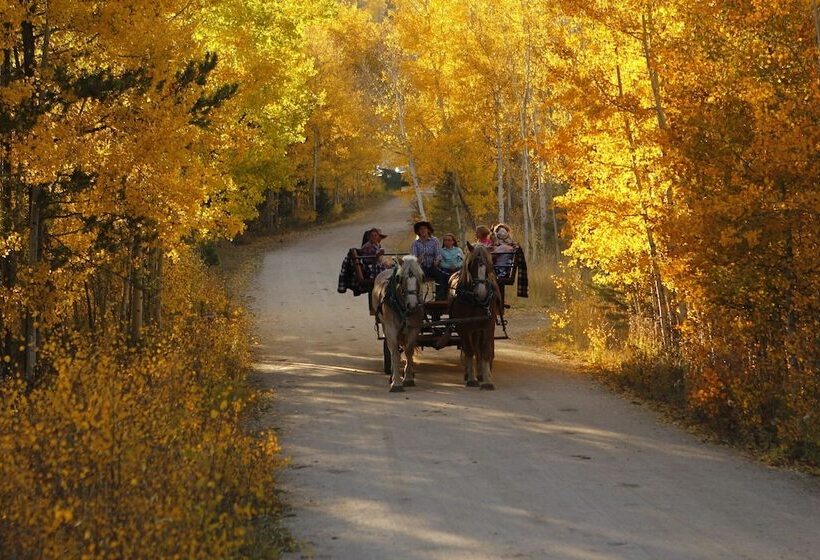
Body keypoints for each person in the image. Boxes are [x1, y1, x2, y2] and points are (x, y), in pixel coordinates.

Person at [410, 220, 450, 301]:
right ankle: (417, 299)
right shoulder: (415, 243)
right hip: (421, 267)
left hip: (433, 265)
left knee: (442, 276)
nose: (423, 230)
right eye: (421, 229)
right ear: (418, 232)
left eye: (425, 228)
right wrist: (418, 259)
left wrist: (436, 261)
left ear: (428, 230)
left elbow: (438, 254)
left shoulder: (434, 240)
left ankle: (440, 298)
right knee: (414, 278)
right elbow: (413, 258)